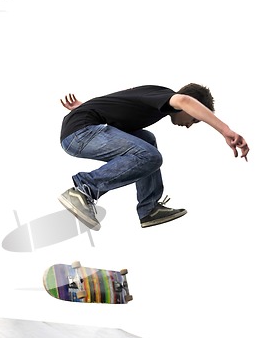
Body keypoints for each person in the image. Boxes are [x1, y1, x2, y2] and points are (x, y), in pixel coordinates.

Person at [58, 85, 249, 231]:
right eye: (194, 119)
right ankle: (84, 190)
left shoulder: (153, 100)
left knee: (147, 140)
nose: (190, 125)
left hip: (84, 128)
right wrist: (225, 130)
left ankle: (149, 208)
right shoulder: (168, 97)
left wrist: (86, 108)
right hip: (81, 133)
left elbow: (116, 101)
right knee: (150, 156)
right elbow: (184, 100)